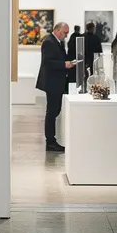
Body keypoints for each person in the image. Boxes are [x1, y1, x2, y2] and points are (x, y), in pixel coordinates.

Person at [36, 22, 73, 153]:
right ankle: (50, 141)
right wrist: (64, 65)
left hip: (57, 82)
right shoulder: (49, 42)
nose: (66, 35)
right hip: (52, 83)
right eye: (65, 32)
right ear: (57, 30)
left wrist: (69, 62)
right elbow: (48, 62)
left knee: (55, 111)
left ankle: (51, 140)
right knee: (51, 112)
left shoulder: (57, 42)